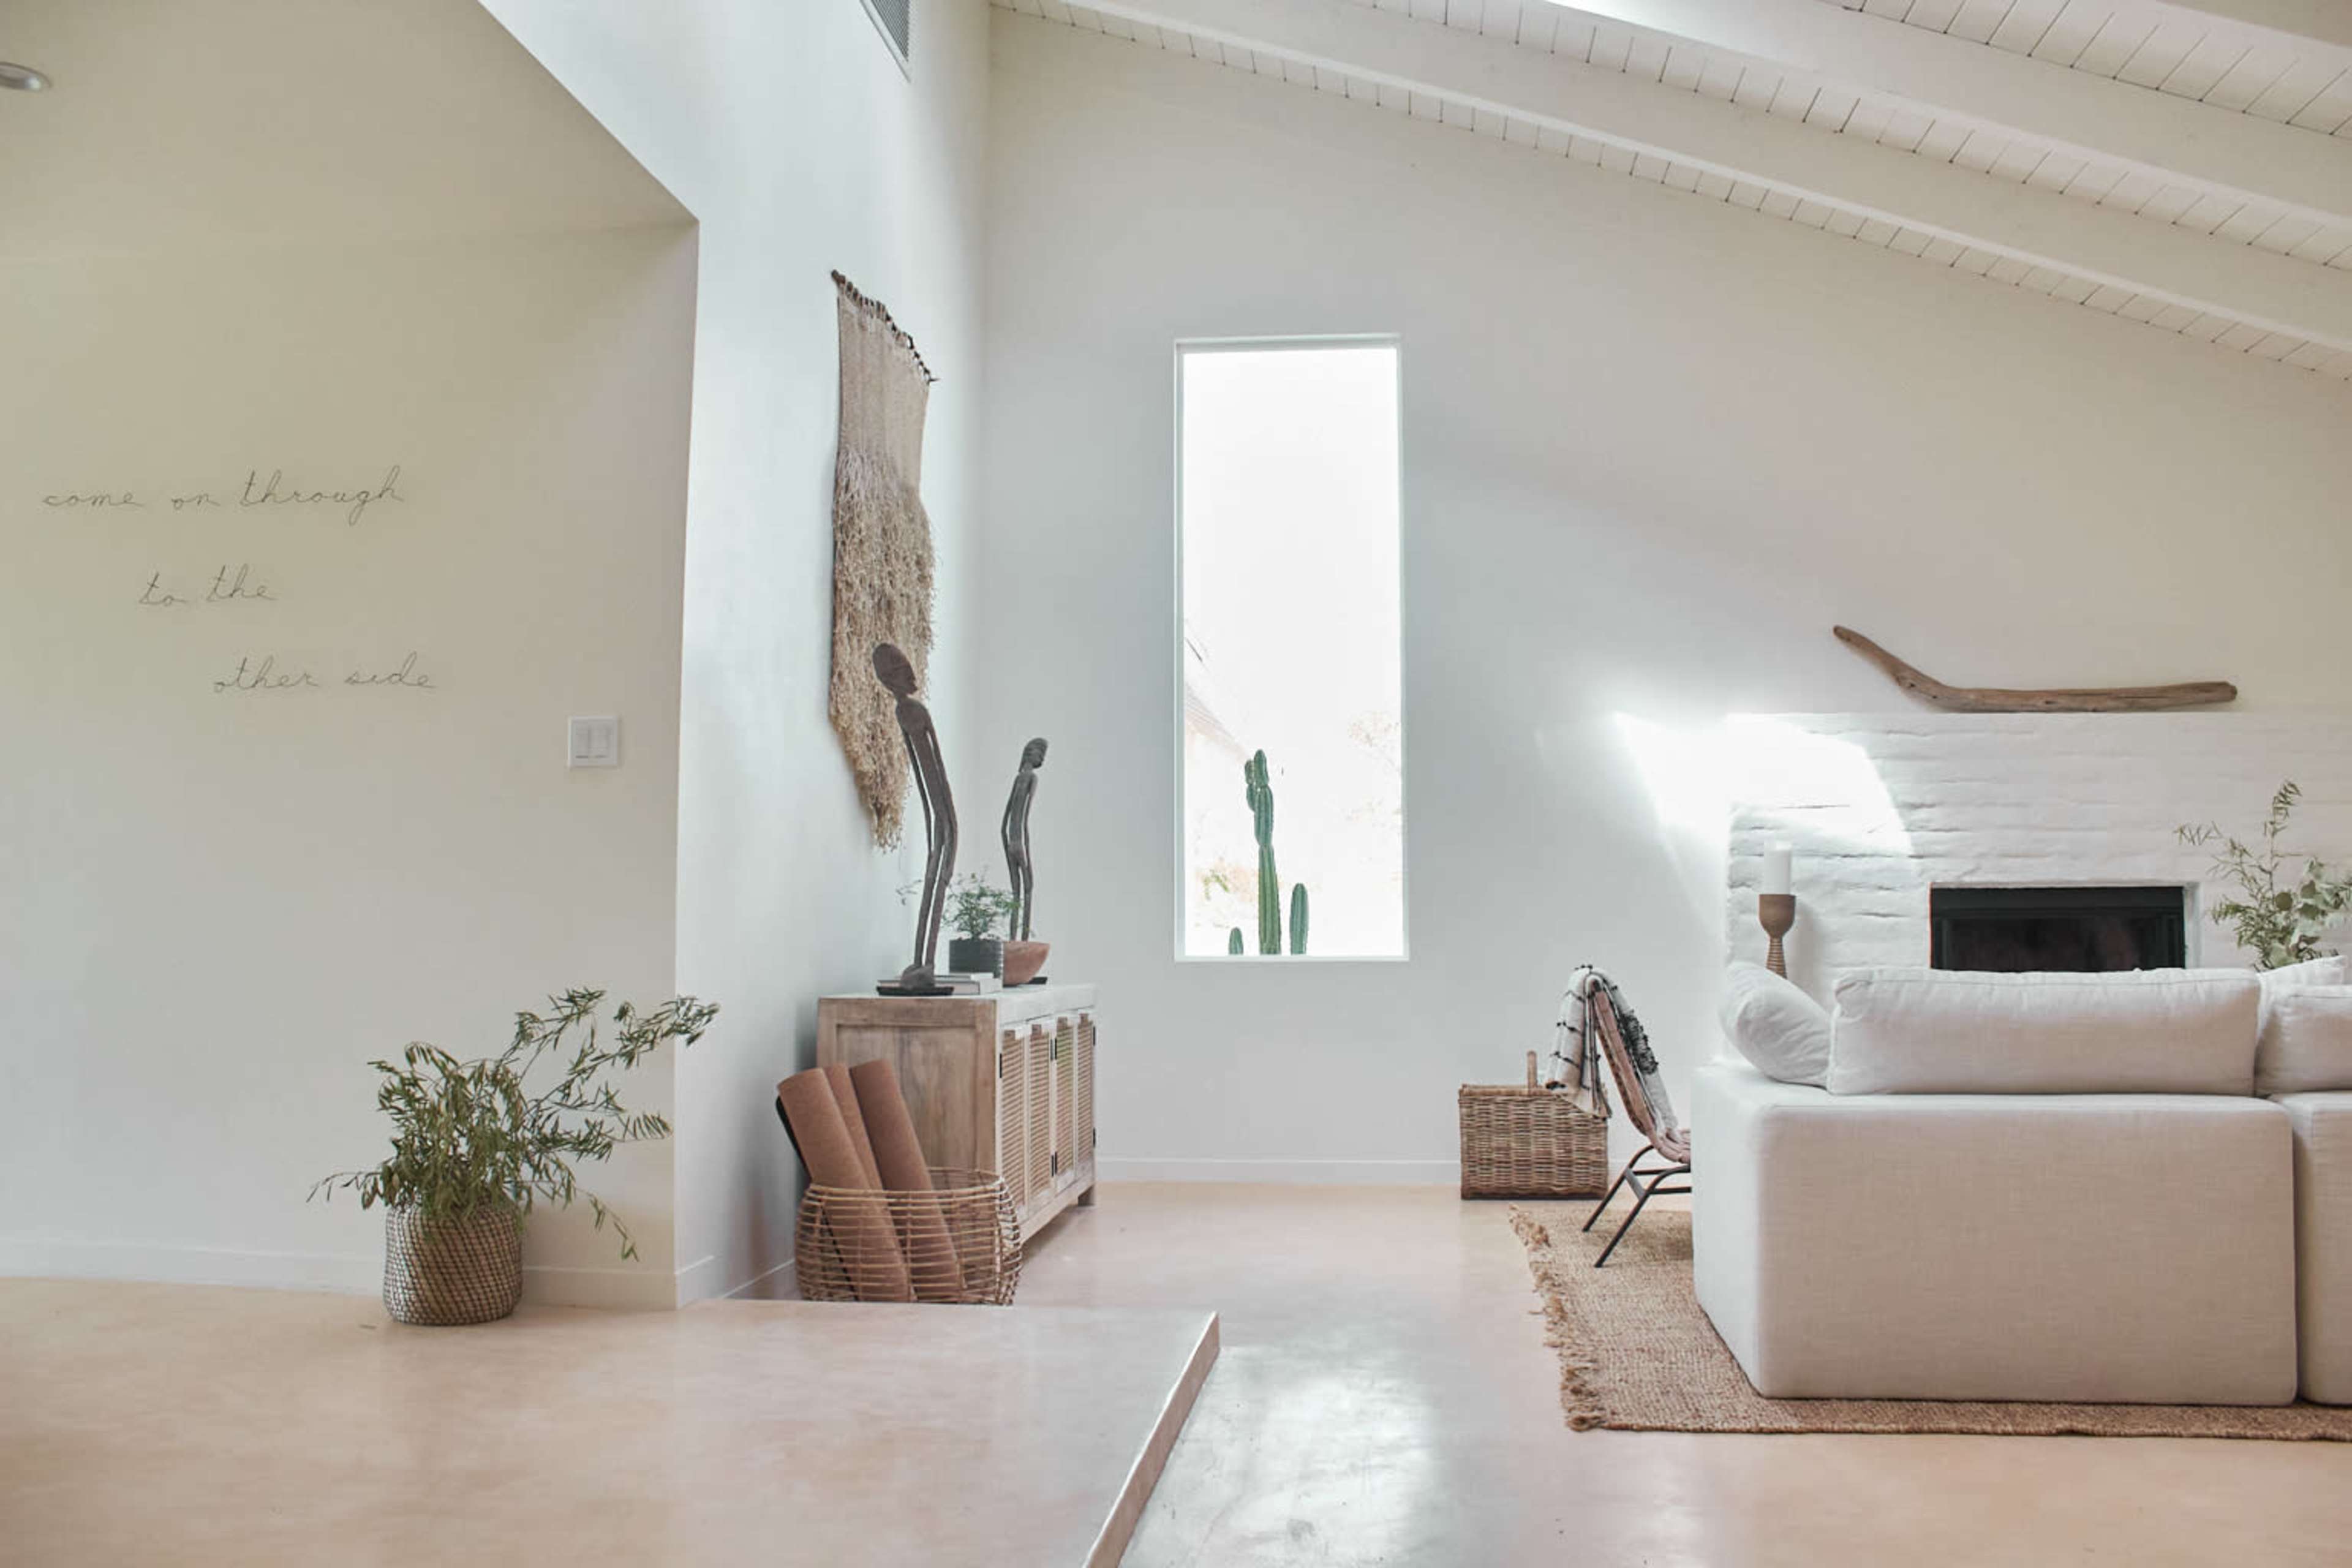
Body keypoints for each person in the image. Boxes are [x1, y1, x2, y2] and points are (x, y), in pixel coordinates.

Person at [875, 643, 954, 992]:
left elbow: (934, 757)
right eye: (890, 674)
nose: (897, 679)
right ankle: (922, 962)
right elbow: (920, 766)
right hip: (937, 807)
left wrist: (944, 814)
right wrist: (930, 812)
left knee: (940, 876)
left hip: (942, 807)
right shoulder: (905, 712)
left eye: (898, 671)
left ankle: (928, 961)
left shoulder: (915, 711)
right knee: (934, 874)